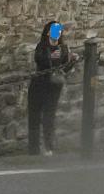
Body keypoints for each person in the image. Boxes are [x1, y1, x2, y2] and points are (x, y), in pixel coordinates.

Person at [27, 20, 77, 156]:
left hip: (53, 87)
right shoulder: (41, 47)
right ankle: (34, 150)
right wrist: (53, 52)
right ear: (48, 32)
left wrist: (72, 61)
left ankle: (48, 147)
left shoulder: (64, 49)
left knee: (49, 118)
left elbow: (65, 69)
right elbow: (40, 60)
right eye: (54, 29)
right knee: (34, 117)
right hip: (39, 84)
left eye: (59, 30)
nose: (57, 32)